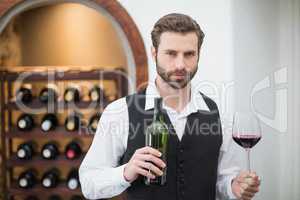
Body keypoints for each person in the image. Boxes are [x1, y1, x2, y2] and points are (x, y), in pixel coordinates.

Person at [79, 13, 260, 200]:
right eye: (171, 54)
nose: (180, 64)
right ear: (154, 53)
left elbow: (222, 182)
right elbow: (89, 184)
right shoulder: (119, 113)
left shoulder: (221, 116)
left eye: (189, 54)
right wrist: (126, 172)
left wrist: (232, 187)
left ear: (199, 54)